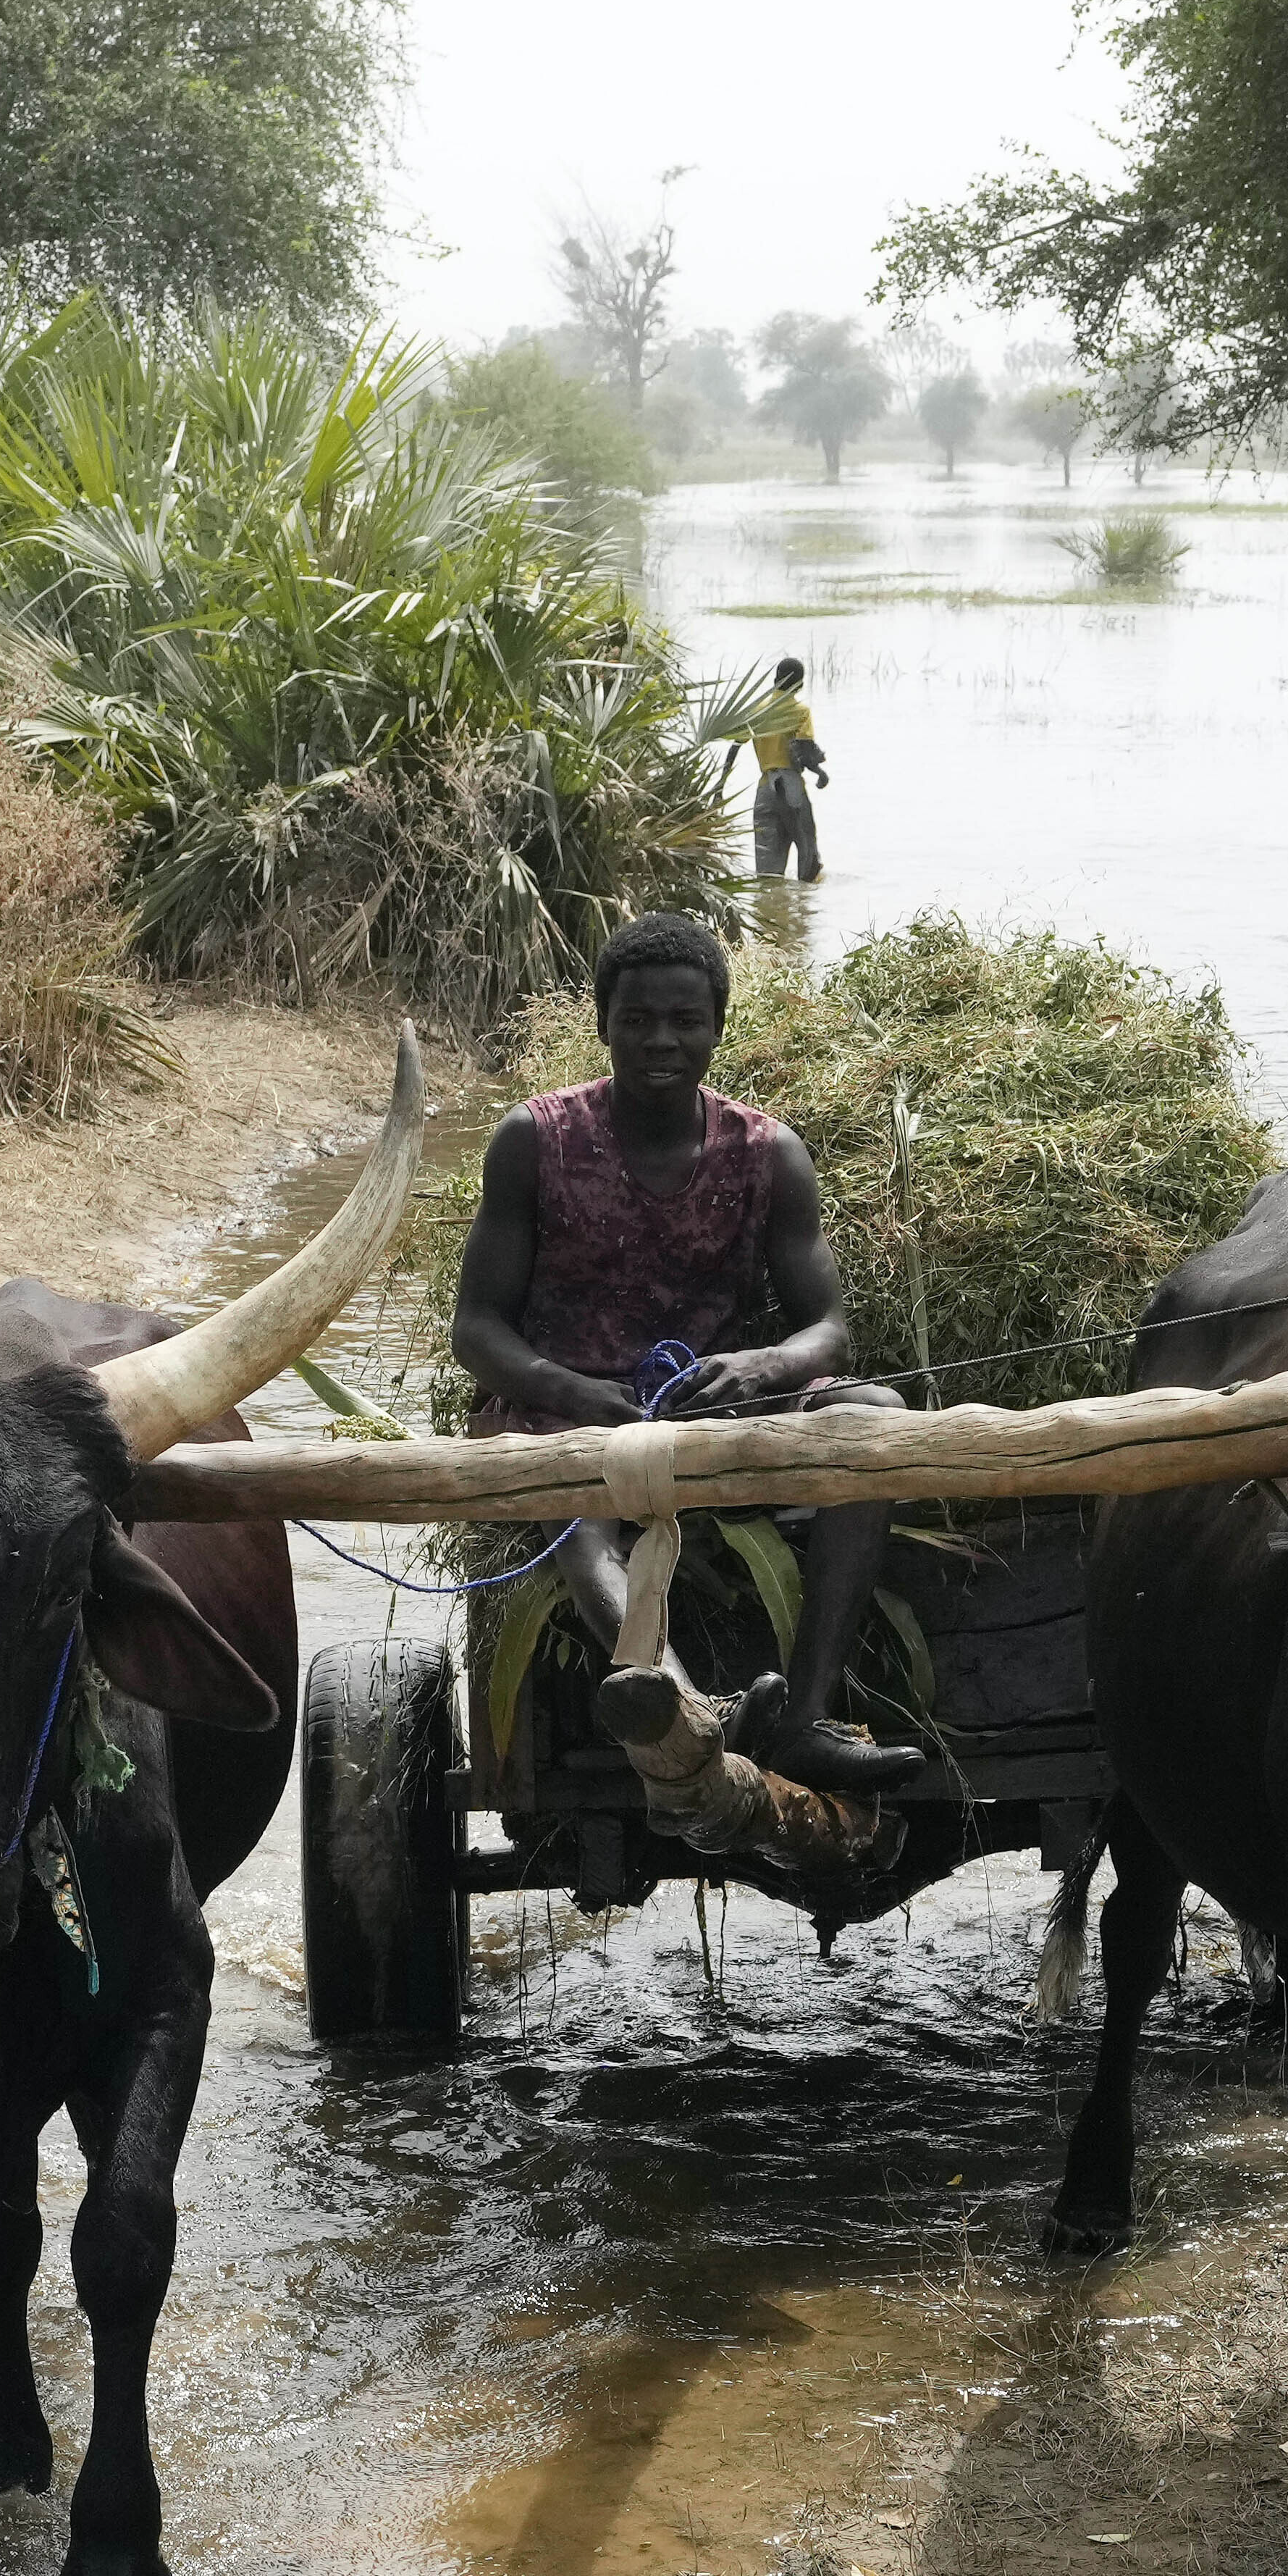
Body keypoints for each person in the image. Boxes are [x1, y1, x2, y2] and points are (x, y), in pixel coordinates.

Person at [450, 911, 926, 1795]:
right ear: (603, 1024)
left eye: (683, 1021)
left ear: (716, 1026)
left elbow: (825, 1324)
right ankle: (678, 1704)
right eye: (636, 1020)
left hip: (721, 1408)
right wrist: (574, 1390)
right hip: (573, 1417)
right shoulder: (534, 1139)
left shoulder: (768, 1152)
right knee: (580, 1512)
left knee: (876, 1416)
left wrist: (763, 1368)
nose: (660, 1041)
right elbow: (476, 1327)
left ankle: (805, 1718)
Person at [741, 655, 826, 883]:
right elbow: (803, 749)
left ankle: (771, 912)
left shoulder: (755, 711)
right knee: (809, 861)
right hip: (791, 789)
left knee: (767, 875)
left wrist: (720, 784)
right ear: (799, 684)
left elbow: (735, 745)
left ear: (775, 679)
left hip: (764, 790)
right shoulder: (800, 711)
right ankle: (804, 911)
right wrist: (820, 772)